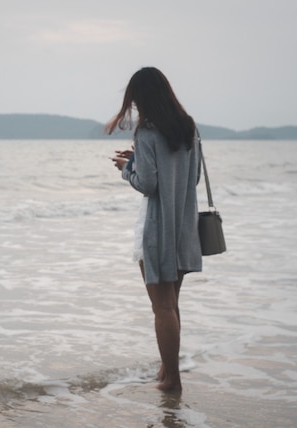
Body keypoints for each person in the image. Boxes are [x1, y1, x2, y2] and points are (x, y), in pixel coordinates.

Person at [106, 67, 202, 392]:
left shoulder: (147, 134)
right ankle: (166, 371)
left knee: (161, 307)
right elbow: (193, 177)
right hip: (184, 228)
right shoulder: (189, 129)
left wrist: (126, 169)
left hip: (158, 228)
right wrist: (140, 160)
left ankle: (171, 380)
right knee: (171, 305)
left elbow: (147, 184)